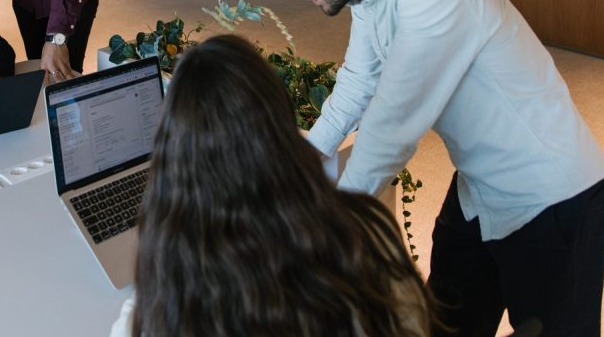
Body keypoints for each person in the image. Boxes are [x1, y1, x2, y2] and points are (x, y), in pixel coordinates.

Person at [266, 0, 604, 336]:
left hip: (551, 197)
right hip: (478, 192)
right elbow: (358, 80)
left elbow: (392, 125)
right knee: (444, 325)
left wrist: (326, 230)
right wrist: (304, 163)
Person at [111, 34, 435, 337]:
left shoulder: (176, 289)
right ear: (281, 126)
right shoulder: (366, 233)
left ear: (175, 153)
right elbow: (412, 319)